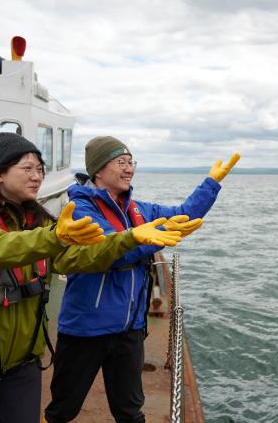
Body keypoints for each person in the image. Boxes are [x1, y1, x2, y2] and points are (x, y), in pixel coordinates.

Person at [0, 132, 187, 423]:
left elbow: (78, 258)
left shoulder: (40, 221)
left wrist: (128, 239)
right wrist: (55, 237)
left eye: (40, 169)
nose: (37, 176)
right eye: (27, 168)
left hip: (22, 361)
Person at [44, 136, 240, 423]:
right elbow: (110, 251)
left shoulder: (138, 211)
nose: (129, 169)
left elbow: (183, 215)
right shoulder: (80, 209)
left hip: (130, 328)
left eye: (130, 162)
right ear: (98, 170)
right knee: (63, 409)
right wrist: (145, 238)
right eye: (121, 162)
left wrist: (211, 183)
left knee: (130, 411)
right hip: (86, 329)